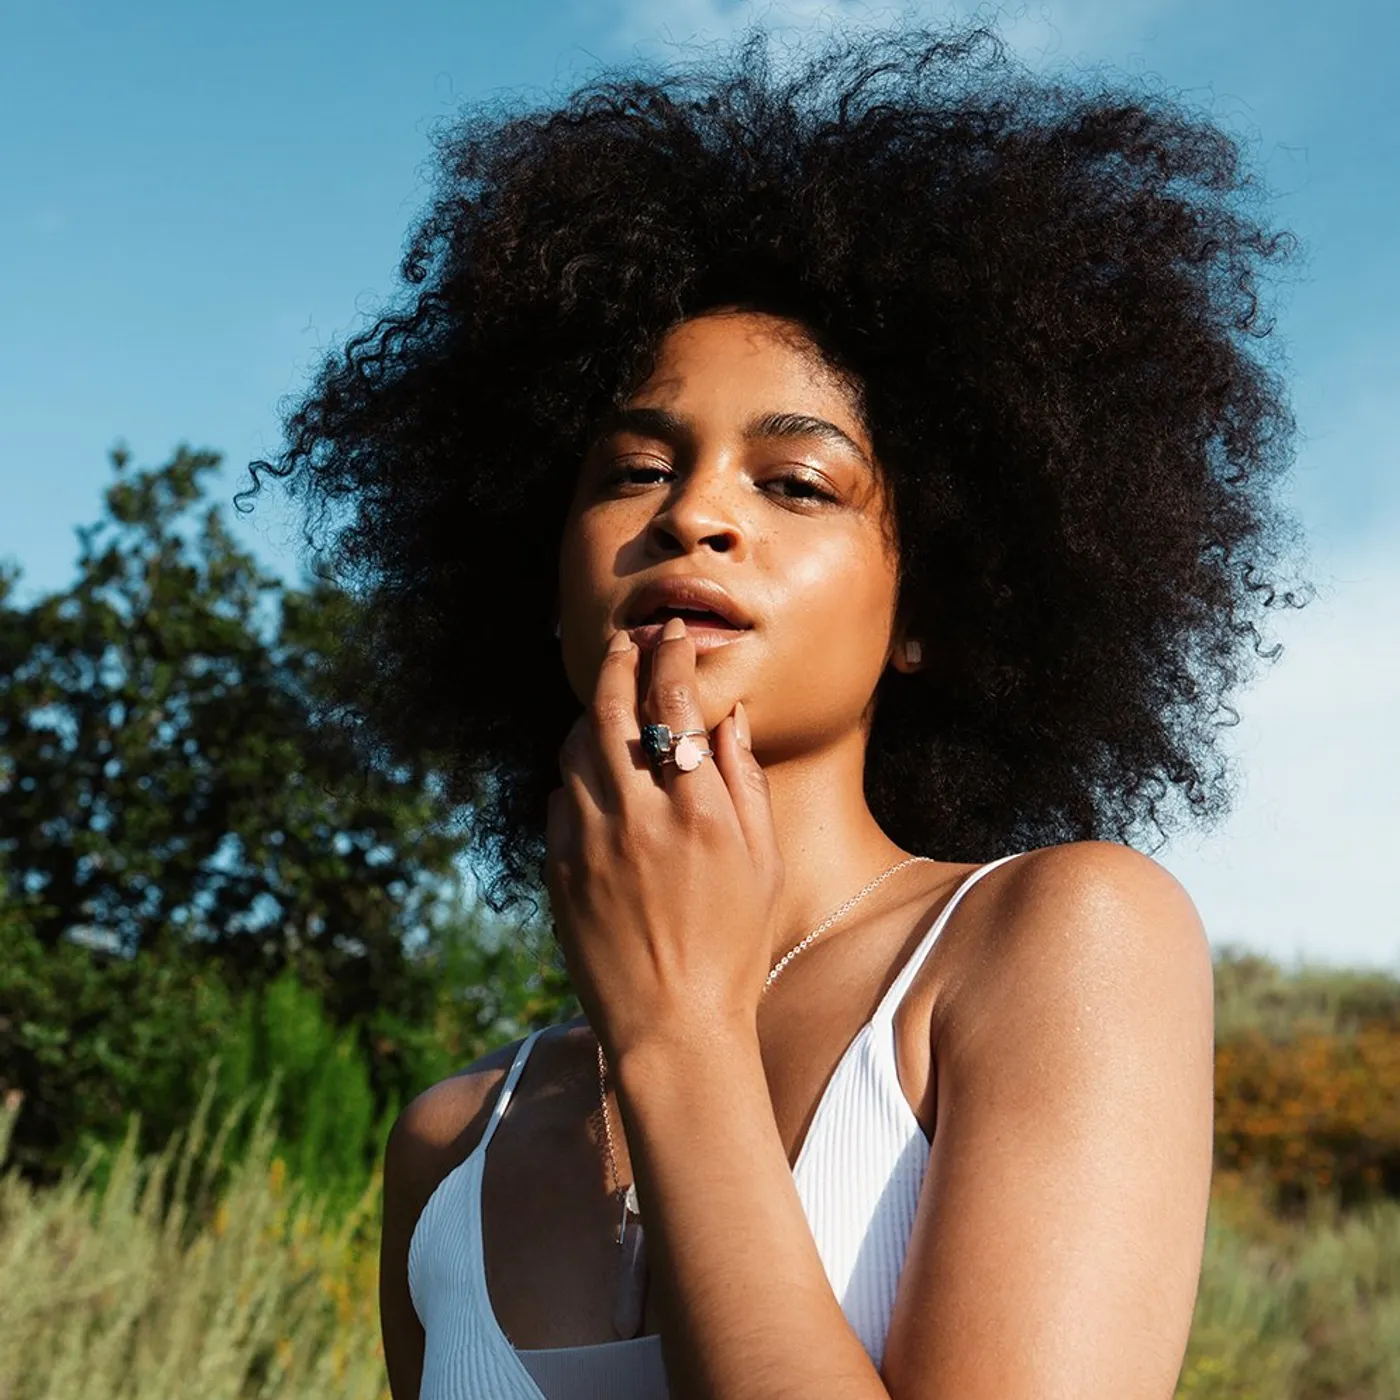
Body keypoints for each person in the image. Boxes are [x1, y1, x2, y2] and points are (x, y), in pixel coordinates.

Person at [241, 19, 1304, 1399]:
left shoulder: (1058, 941)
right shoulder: (448, 1144)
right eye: (633, 470)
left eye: (797, 484)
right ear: (542, 585)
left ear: (928, 610)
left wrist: (679, 1035)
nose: (693, 512)